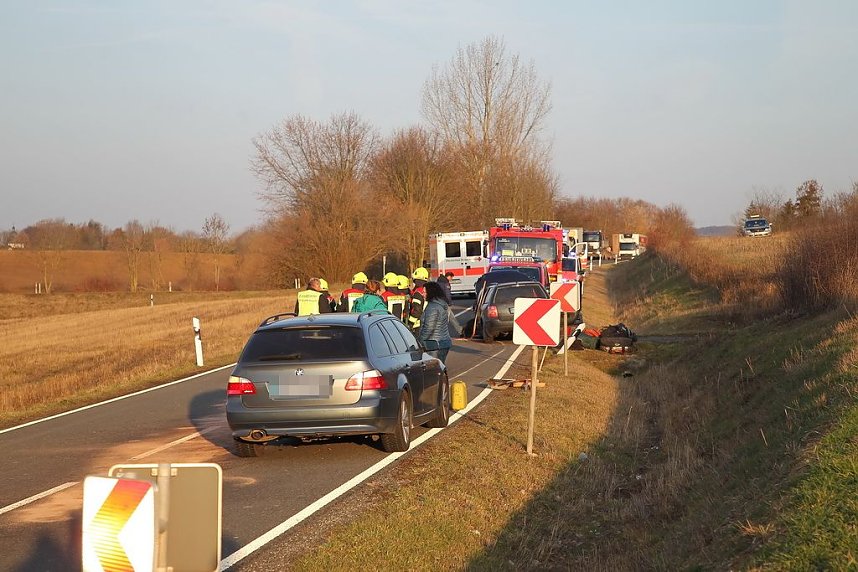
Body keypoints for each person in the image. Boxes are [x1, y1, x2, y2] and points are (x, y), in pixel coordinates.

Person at [417, 281, 459, 364]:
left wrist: (420, 343)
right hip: (444, 342)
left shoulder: (432, 307)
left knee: (433, 369)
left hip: (433, 345)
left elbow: (429, 328)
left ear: (431, 292)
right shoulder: (442, 304)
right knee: (440, 367)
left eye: (425, 292)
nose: (423, 294)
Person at [407, 267, 429, 332]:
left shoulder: (418, 293)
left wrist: (410, 323)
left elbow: (416, 310)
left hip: (419, 325)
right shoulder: (427, 290)